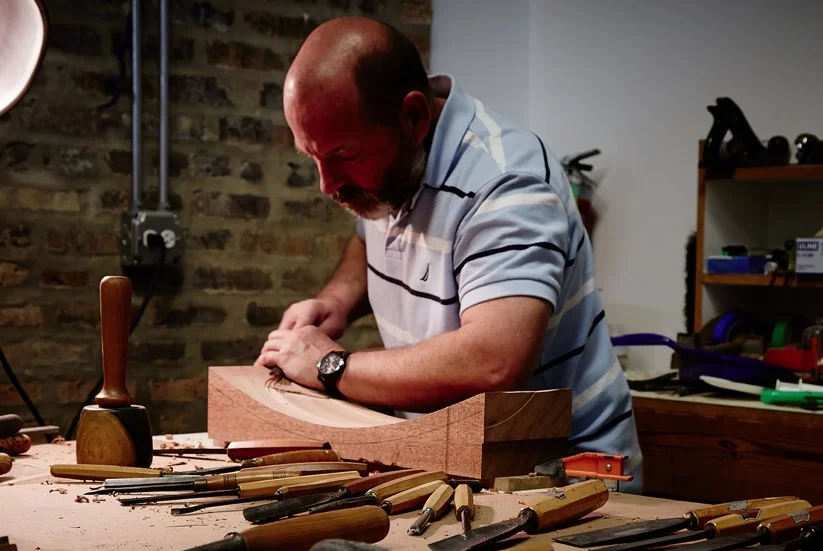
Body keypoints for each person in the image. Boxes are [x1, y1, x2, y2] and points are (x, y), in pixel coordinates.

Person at [255, 17, 643, 493]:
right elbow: (371, 232)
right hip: (459, 456)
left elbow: (493, 360)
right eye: (311, 156)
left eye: (342, 156)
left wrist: (329, 365)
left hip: (565, 476)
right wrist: (336, 301)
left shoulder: (505, 181)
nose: (326, 183)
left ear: (414, 117)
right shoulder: (391, 167)